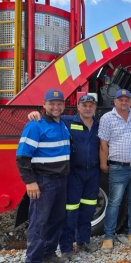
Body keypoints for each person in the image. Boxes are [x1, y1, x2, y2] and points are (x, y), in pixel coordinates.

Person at [27, 94, 101, 259]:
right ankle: (66, 247)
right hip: (74, 173)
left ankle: (84, 240)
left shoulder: (99, 124)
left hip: (93, 174)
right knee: (70, 211)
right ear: (78, 107)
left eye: (91, 105)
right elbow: (50, 117)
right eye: (84, 105)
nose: (88, 108)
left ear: (95, 108)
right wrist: (34, 114)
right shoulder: (67, 121)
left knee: (88, 209)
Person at [16, 89, 71, 263]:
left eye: (59, 103)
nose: (56, 107)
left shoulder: (62, 123)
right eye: (52, 103)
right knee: (39, 223)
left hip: (61, 180)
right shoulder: (35, 125)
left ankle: (48, 254)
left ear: (64, 105)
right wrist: (30, 182)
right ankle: (33, 259)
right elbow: (22, 156)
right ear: (44, 105)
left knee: (56, 219)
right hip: (43, 181)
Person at [99, 89, 131, 252]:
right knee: (114, 202)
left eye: (127, 100)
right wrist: (103, 163)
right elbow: (103, 143)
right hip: (118, 167)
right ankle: (108, 237)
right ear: (115, 102)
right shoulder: (107, 118)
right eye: (121, 100)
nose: (124, 102)